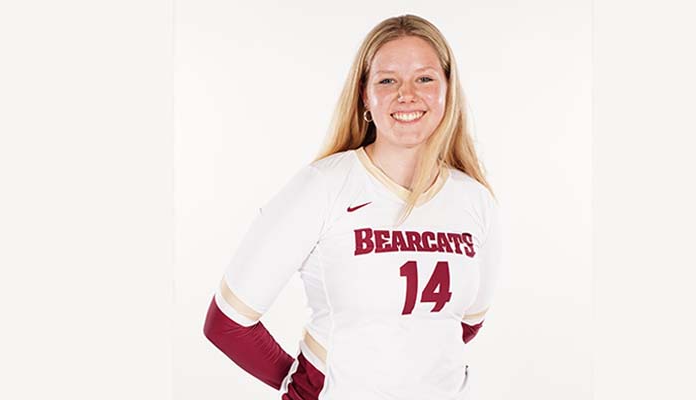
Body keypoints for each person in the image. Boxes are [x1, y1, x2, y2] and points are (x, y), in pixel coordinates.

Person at [203, 14, 503, 400]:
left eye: (425, 78)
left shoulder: (475, 200)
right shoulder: (323, 186)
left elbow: (462, 324)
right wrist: (307, 385)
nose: (406, 94)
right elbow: (227, 324)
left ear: (449, 88)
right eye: (387, 80)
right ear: (365, 94)